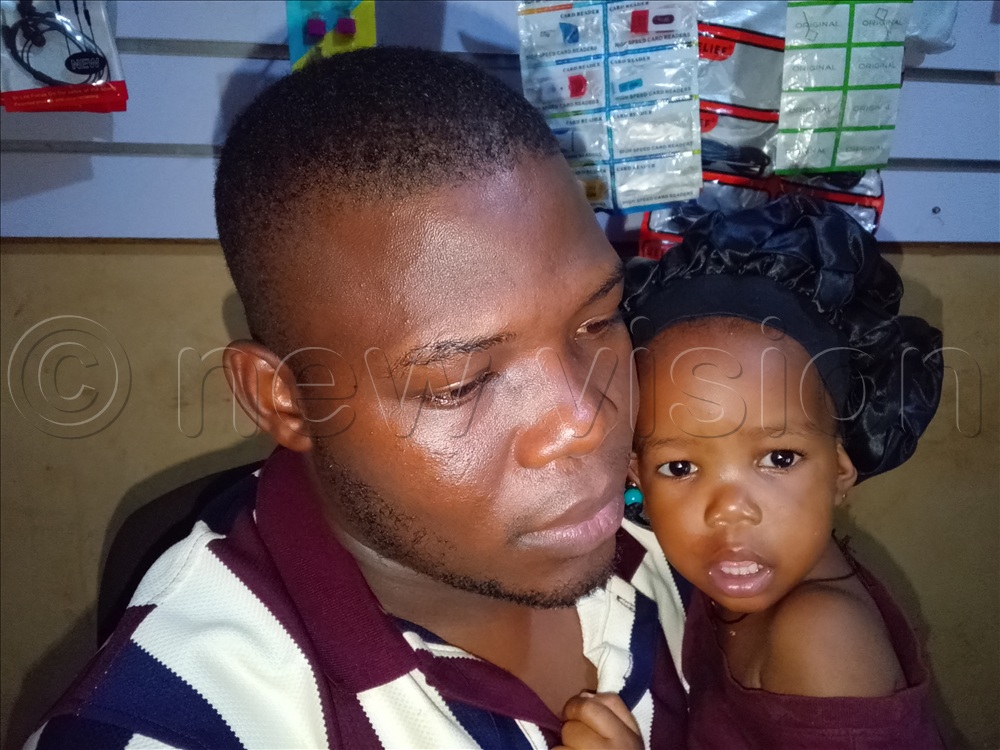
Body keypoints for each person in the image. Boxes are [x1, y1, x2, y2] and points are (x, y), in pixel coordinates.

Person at [25, 47, 690, 749]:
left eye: (597, 320)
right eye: (459, 383)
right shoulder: (172, 725)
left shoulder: (681, 513)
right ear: (284, 401)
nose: (586, 421)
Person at [569, 197, 946, 749]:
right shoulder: (729, 580)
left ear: (842, 467)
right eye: (680, 467)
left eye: (779, 458)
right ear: (637, 477)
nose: (730, 508)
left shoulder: (821, 638)